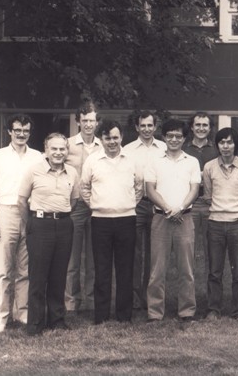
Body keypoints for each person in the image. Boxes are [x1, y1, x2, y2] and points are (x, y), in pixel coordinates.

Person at [0, 114, 43, 334]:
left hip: (29, 213)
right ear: (9, 132)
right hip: (5, 212)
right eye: (17, 130)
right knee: (3, 269)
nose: (21, 134)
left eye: (25, 130)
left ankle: (23, 313)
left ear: (29, 132)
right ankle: (0, 318)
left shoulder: (38, 157)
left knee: (26, 268)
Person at [81, 120, 142, 324]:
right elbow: (84, 188)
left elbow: (139, 187)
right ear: (101, 139)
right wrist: (99, 205)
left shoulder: (132, 160)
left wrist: (126, 204)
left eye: (115, 137)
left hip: (126, 219)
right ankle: (101, 315)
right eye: (107, 138)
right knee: (102, 269)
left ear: (122, 137)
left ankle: (124, 315)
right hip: (100, 221)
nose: (112, 142)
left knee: (125, 269)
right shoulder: (92, 160)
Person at [17, 133, 79, 335]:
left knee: (59, 274)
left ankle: (57, 320)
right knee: (38, 276)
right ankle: (35, 323)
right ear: (46, 149)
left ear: (67, 151)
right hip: (39, 225)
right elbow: (21, 201)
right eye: (54, 148)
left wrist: (60, 214)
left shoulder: (72, 173)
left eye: (62, 149)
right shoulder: (34, 171)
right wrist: (31, 225)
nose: (58, 153)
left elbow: (74, 201)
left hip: (63, 225)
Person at [145, 119, 201, 323]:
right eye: (170, 136)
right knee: (157, 269)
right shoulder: (154, 161)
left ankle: (187, 311)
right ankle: (154, 312)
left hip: (184, 219)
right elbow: (149, 189)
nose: (174, 139)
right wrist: (168, 208)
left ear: (184, 138)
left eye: (178, 136)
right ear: (164, 137)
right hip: (161, 218)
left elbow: (194, 189)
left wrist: (181, 208)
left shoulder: (192, 161)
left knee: (186, 268)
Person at [203, 127, 238, 321]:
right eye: (222, 142)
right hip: (215, 223)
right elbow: (208, 196)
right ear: (217, 145)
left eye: (230, 142)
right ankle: (213, 309)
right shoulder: (209, 167)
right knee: (215, 270)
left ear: (236, 144)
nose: (226, 146)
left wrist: (234, 209)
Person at [123, 110, 166, 310]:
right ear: (137, 127)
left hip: (159, 203)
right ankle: (133, 297)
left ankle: (152, 298)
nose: (147, 129)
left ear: (155, 127)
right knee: (134, 252)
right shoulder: (128, 150)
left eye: (150, 125)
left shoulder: (164, 148)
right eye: (143, 126)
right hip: (137, 203)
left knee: (155, 253)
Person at [65, 100, 101, 312]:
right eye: (85, 120)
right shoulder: (68, 144)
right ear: (78, 121)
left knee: (93, 258)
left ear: (97, 123)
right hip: (75, 205)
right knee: (72, 258)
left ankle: (91, 301)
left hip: (96, 206)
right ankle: (71, 302)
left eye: (92, 120)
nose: (88, 124)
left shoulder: (104, 145)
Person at [182, 112, 218, 276]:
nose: (201, 128)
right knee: (188, 250)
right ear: (191, 127)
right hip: (191, 203)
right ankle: (191, 295)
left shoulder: (217, 149)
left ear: (210, 128)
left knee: (212, 251)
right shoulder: (184, 149)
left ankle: (212, 298)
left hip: (212, 203)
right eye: (198, 125)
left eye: (205, 125)